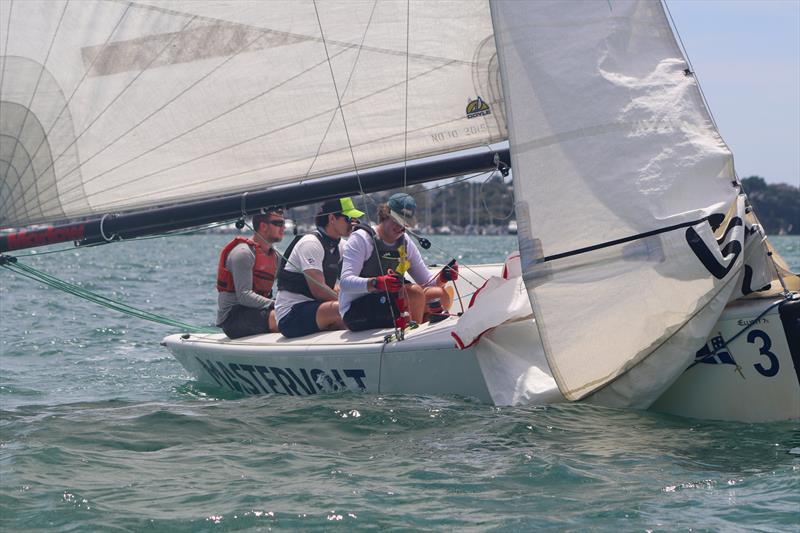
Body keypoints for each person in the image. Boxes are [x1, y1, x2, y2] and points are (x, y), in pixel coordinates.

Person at [339, 192, 459, 331]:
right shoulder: (361, 238)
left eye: (405, 223)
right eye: (396, 221)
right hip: (355, 311)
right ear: (385, 215)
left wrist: (443, 277)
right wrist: (377, 283)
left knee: (439, 294)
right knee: (414, 294)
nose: (401, 227)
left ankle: (423, 332)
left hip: (386, 304)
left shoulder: (405, 242)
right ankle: (414, 335)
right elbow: (345, 283)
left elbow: (427, 281)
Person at [274, 197, 365, 338]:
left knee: (362, 307)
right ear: (332, 218)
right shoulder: (310, 243)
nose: (352, 224)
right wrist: (349, 301)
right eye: (348, 219)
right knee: (346, 309)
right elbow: (318, 291)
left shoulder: (341, 246)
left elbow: (356, 276)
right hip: (291, 315)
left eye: (355, 220)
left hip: (316, 310)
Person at [216, 208, 285, 338]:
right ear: (263, 226)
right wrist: (276, 304)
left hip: (260, 311)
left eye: (283, 223)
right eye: (278, 223)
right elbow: (244, 296)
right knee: (288, 318)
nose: (283, 228)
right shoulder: (244, 254)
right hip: (234, 317)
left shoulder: (276, 256)